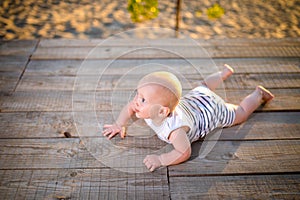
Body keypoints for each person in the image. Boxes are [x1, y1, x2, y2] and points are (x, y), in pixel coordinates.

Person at [102, 64, 274, 172]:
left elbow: (184, 152)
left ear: (162, 112)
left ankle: (258, 94)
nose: (136, 101)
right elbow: (130, 108)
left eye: (142, 99)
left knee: (240, 113)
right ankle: (222, 73)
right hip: (195, 98)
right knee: (204, 87)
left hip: (210, 110)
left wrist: (161, 159)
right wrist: (119, 124)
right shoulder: (145, 108)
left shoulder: (175, 131)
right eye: (138, 94)